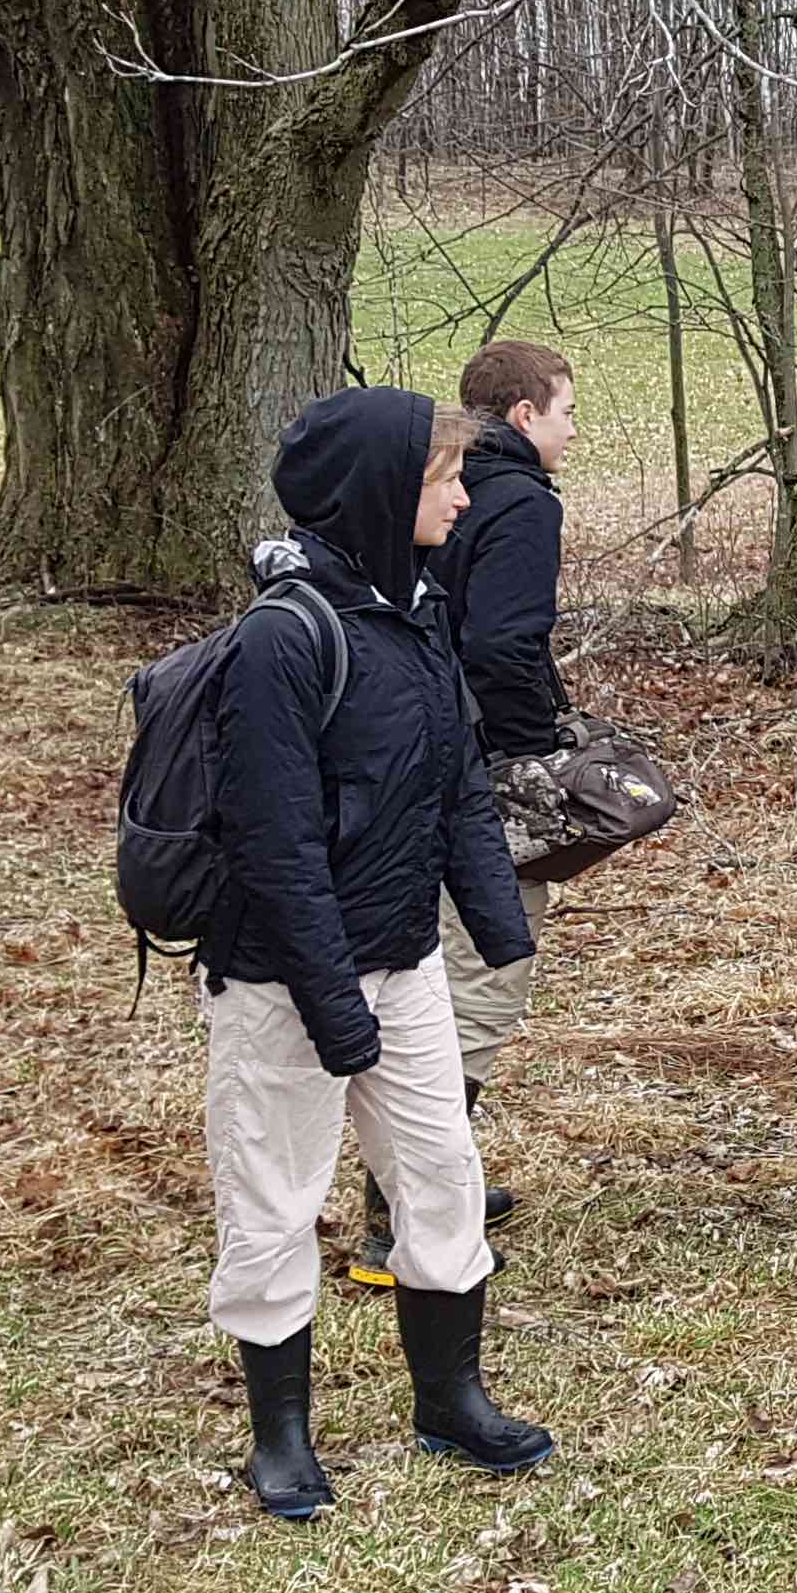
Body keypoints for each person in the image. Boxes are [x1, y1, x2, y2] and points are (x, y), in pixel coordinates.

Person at [204, 389, 551, 1519]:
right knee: (276, 1194)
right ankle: (283, 1438)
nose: (463, 496)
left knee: (442, 1179)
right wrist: (331, 1006)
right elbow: (275, 843)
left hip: (405, 960)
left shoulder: (416, 613)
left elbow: (455, 785)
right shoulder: (281, 640)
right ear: (380, 493)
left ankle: (451, 1401)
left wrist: (497, 928)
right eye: (445, 477)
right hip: (279, 979)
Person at [351, 337, 575, 1289]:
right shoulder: (519, 502)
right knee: (484, 973)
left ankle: (428, 1179)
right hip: (479, 769)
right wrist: (541, 750)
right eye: (566, 411)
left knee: (435, 965)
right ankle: (398, 1211)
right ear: (523, 415)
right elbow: (501, 645)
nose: (571, 431)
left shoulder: (418, 486)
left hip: (409, 757)